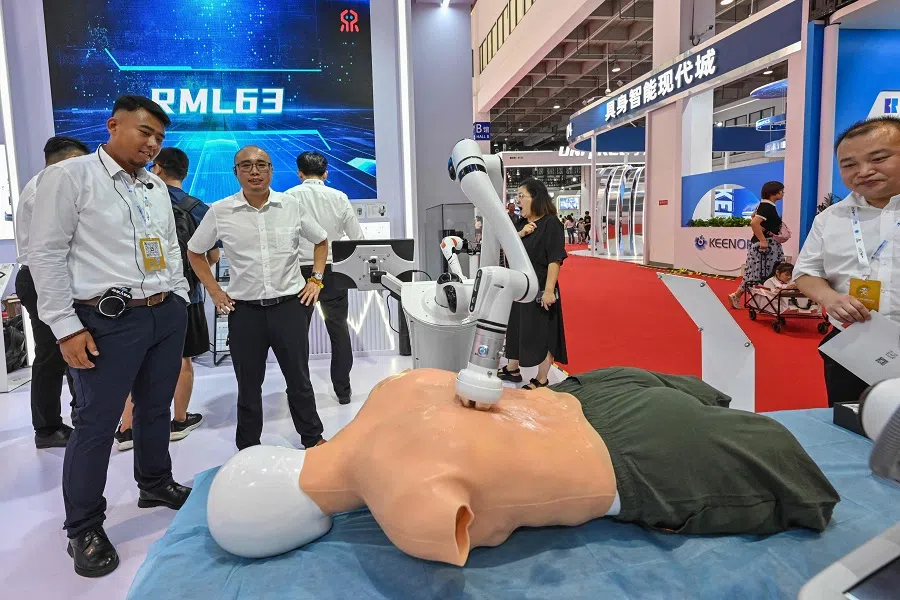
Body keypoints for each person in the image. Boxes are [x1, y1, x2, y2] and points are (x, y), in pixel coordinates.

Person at [208, 367, 840, 567]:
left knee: (796, 478)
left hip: (627, 455)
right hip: (595, 390)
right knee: (711, 399)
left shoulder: (409, 512)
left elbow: (458, 536)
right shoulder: (391, 390)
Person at [28, 95, 193, 577]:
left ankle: (155, 482)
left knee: (156, 407)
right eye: (145, 132)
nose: (152, 144)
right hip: (105, 319)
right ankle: (83, 527)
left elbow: (165, 246)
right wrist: (64, 326)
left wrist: (178, 296)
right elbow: (46, 254)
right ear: (114, 125)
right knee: (97, 424)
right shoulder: (69, 178)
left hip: (164, 313)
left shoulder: (154, 187)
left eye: (159, 138)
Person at [187, 146, 330, 450]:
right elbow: (195, 251)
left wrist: (316, 279)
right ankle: (248, 446)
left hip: (290, 307)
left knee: (299, 380)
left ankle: (313, 438)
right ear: (235, 171)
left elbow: (321, 240)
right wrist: (214, 290)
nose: (255, 171)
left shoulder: (291, 205)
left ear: (271, 171)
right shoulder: (221, 211)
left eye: (262, 165)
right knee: (248, 385)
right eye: (246, 165)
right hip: (245, 312)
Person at [115, 147, 218, 451]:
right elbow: (210, 254)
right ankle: (180, 420)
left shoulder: (137, 200)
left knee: (133, 362)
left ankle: (126, 427)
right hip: (187, 295)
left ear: (157, 168)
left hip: (137, 295)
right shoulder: (198, 207)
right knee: (183, 359)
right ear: (184, 172)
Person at [795, 117, 900, 407]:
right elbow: (806, 273)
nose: (864, 171)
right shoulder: (831, 218)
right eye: (849, 164)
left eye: (879, 158)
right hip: (853, 343)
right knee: (850, 432)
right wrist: (830, 298)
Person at [14, 136, 89, 449]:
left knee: (59, 354)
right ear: (68, 159)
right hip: (44, 278)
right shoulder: (49, 186)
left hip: (38, 277)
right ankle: (48, 428)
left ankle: (68, 420)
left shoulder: (37, 184)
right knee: (55, 354)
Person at [285, 151, 364, 405]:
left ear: (299, 173)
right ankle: (343, 391)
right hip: (334, 271)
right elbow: (358, 239)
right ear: (326, 173)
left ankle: (300, 392)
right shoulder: (340, 197)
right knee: (339, 330)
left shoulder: (288, 197)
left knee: (298, 335)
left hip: (300, 273)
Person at [498, 178, 568, 389]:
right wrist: (520, 234)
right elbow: (506, 246)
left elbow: (555, 259)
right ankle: (512, 368)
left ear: (535, 198)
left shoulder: (551, 224)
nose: (517, 200)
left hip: (540, 287)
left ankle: (542, 378)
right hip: (519, 287)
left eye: (521, 196)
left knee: (543, 331)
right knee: (516, 328)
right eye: (516, 196)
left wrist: (549, 291)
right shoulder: (520, 224)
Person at [728, 182, 787, 309]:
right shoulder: (767, 206)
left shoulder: (765, 206)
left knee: (759, 273)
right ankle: (738, 296)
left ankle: (756, 299)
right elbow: (754, 223)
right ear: (773, 192)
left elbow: (754, 220)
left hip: (768, 245)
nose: (783, 193)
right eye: (781, 191)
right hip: (766, 247)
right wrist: (763, 241)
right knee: (758, 274)